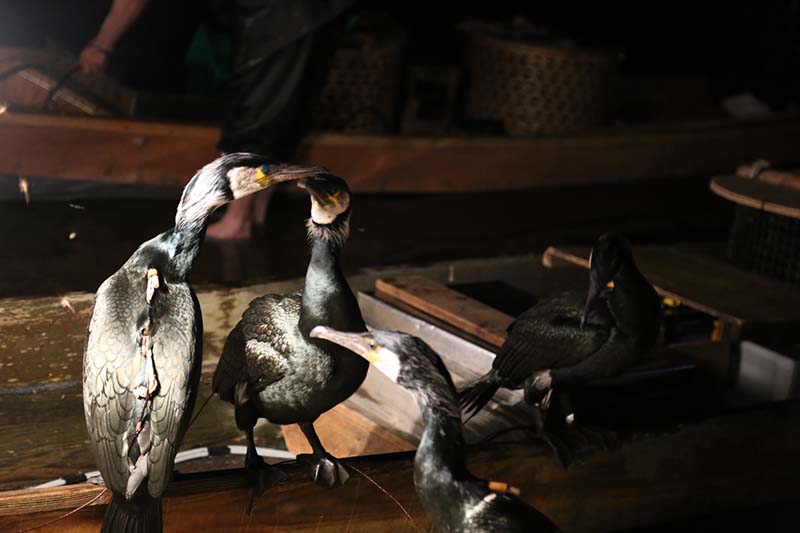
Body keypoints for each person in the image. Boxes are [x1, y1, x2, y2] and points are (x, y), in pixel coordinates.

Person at [78, 0, 356, 239]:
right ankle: (255, 214)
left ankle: (238, 220)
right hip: (317, 10)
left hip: (283, 10)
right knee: (287, 102)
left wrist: (102, 44)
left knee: (258, 101)